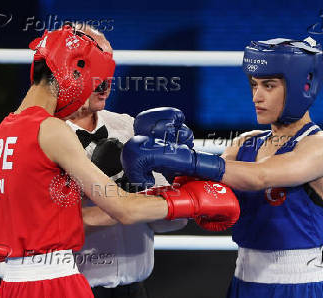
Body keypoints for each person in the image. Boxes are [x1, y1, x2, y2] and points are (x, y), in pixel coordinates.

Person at [0, 23, 240, 298]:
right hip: (58, 279)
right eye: (98, 75)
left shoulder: (0, 135)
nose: (105, 86)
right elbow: (123, 209)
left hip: (16, 286)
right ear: (74, 70)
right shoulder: (50, 130)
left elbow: (18, 225)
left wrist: (173, 182)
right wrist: (190, 200)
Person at [122, 37, 323, 297]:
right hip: (243, 282)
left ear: (302, 86)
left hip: (300, 286)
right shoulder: (244, 143)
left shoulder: (321, 147)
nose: (256, 96)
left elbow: (261, 176)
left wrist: (186, 158)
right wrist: (173, 169)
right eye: (254, 85)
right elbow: (210, 191)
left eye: (269, 86)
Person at [66, 26, 188, 298]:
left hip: (134, 288)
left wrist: (177, 187)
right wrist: (123, 203)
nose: (106, 82)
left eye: (109, 70)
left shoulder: (128, 126)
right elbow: (36, 228)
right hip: (72, 290)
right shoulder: (39, 135)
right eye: (95, 69)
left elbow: (167, 223)